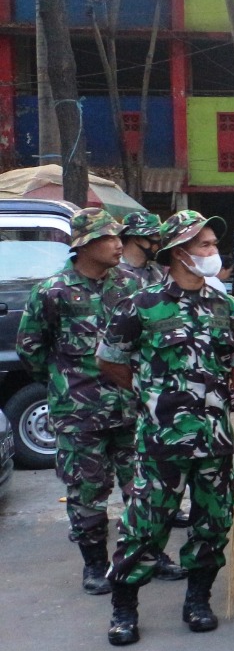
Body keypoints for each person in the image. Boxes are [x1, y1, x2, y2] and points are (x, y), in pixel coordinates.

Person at [96, 211, 234, 646]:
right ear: (177, 254)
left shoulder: (227, 307)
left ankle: (198, 599)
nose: (212, 253)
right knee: (146, 525)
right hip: (160, 441)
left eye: (212, 245)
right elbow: (109, 359)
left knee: (213, 523)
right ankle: (124, 607)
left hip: (215, 441)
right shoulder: (142, 305)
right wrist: (148, 394)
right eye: (203, 246)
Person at [16, 209, 185, 593]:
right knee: (87, 491)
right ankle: (94, 566)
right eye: (109, 239)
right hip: (79, 414)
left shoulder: (130, 286)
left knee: (145, 488)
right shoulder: (52, 292)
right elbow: (30, 349)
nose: (117, 245)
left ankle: (149, 553)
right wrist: (65, 383)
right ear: (85, 245)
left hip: (131, 408)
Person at [116, 211, 165, 288]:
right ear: (137, 238)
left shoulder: (156, 272)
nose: (160, 242)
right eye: (156, 235)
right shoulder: (112, 273)